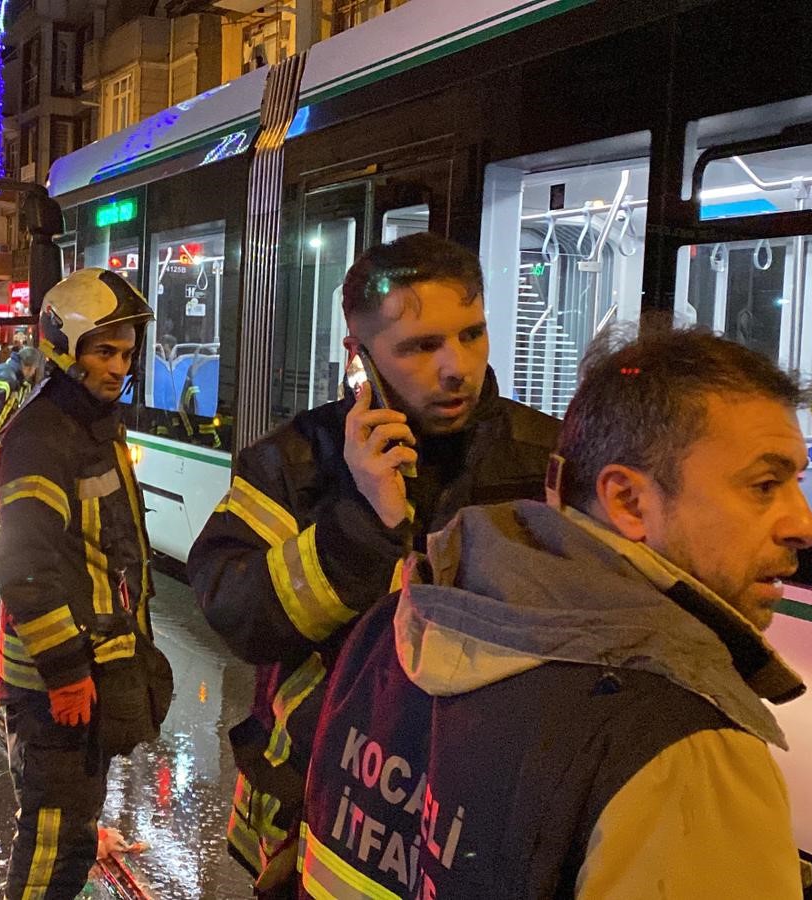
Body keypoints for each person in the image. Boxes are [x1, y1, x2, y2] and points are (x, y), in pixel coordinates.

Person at [298, 325, 812, 898]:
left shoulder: (396, 623)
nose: (806, 525)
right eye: (765, 485)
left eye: (798, 482)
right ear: (628, 501)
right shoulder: (686, 752)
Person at [188, 233, 559, 895]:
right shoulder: (297, 461)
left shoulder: (547, 462)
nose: (458, 368)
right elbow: (233, 611)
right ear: (360, 357)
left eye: (472, 335)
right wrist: (364, 522)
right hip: (313, 810)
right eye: (420, 347)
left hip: (480, 816)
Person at [0, 268, 173, 899]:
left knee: (72, 831)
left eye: (126, 352)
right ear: (65, 348)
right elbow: (22, 565)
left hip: (90, 671)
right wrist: (67, 671)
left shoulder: (92, 425)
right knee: (53, 841)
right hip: (56, 684)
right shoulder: (44, 436)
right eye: (103, 351)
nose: (118, 366)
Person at [0, 346, 42, 446]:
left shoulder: (9, 374)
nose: (33, 373)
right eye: (34, 369)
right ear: (29, 367)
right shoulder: (6, 377)